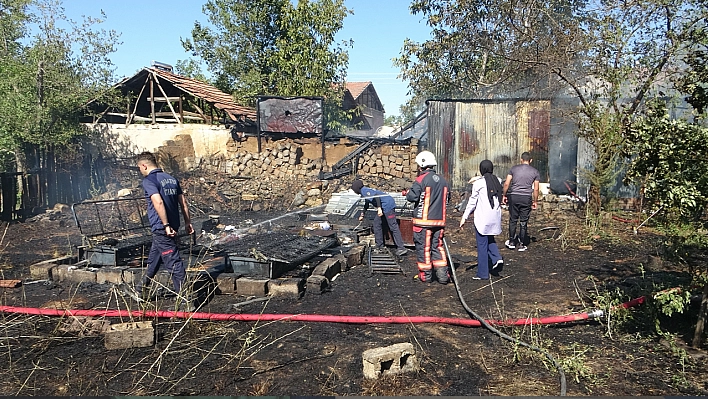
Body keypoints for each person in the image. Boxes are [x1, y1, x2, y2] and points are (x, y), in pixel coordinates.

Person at [135, 151, 195, 310]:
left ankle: (185, 301)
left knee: (173, 261)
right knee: (155, 257)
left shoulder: (149, 180)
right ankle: (141, 288)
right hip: (171, 227)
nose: (140, 171)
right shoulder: (170, 179)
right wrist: (188, 222)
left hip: (162, 228)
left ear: (144, 165)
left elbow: (158, 202)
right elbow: (183, 203)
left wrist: (165, 225)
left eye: (140, 168)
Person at [405, 150, 451, 284]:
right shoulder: (443, 181)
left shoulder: (421, 179)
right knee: (438, 247)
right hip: (439, 221)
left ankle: (426, 276)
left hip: (423, 222)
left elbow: (412, 197)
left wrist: (408, 192)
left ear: (421, 165)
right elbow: (447, 199)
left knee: (423, 248)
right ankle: (443, 276)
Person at [459, 160, 504, 280]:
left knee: (482, 245)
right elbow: (488, 179)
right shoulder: (498, 180)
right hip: (495, 217)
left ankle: (483, 273)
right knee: (490, 238)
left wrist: (464, 217)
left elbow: (472, 202)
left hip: (483, 218)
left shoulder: (478, 184)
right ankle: (497, 258)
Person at [351, 180, 408, 257]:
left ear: (356, 189)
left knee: (393, 226)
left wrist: (379, 208)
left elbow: (377, 196)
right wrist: (363, 214)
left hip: (387, 206)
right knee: (377, 224)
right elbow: (367, 204)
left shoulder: (364, 191)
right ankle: (380, 246)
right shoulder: (364, 192)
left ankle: (401, 248)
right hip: (384, 206)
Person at [502, 152, 540, 252]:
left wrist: (504, 195)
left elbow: (506, 184)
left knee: (513, 219)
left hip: (514, 196)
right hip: (526, 197)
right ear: (531, 160)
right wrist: (535, 201)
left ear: (521, 159)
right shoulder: (535, 172)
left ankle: (511, 241)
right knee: (523, 221)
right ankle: (522, 244)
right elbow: (536, 189)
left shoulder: (513, 169)